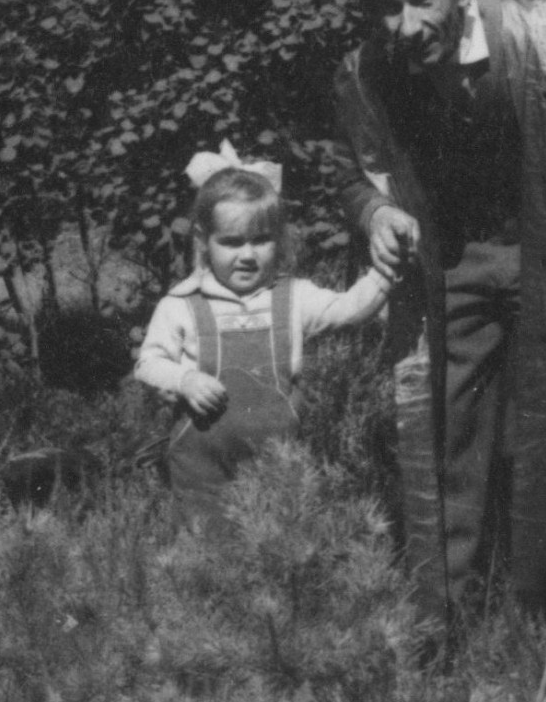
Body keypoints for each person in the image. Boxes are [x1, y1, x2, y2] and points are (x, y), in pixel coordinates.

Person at [331, 0, 546, 629]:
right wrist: (376, 215)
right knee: (448, 431)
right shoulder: (365, 73)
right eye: (386, 5)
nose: (406, 24)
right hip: (452, 270)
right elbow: (352, 176)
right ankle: (448, 620)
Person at [134, 150, 391, 520]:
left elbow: (349, 309)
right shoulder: (182, 304)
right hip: (204, 469)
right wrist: (184, 379)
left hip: (279, 463)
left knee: (278, 549)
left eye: (261, 240)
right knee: (210, 555)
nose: (248, 255)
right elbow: (148, 363)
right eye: (232, 242)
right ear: (204, 241)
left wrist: (385, 272)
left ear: (279, 240)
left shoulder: (292, 297)